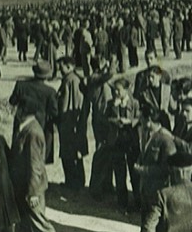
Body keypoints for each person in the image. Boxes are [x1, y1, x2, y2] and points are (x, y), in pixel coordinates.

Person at [10, 106, 56, 232]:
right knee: (25, 225)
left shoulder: (32, 132)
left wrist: (33, 193)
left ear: (22, 111)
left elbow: (34, 165)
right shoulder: (25, 128)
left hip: (31, 189)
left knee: (40, 225)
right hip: (23, 187)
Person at [9, 61, 59, 165]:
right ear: (47, 76)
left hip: (22, 121)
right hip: (41, 125)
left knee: (20, 150)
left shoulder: (21, 85)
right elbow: (54, 112)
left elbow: (12, 101)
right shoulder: (50, 91)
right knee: (37, 155)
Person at [134, 109, 175, 226]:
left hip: (158, 192)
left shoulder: (166, 139)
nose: (140, 120)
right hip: (146, 189)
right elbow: (144, 154)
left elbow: (166, 169)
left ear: (149, 120)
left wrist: (142, 170)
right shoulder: (146, 133)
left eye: (142, 118)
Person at [106, 78, 141, 213]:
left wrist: (129, 122)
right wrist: (115, 119)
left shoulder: (135, 103)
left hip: (132, 142)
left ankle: (138, 201)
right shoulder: (111, 103)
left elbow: (139, 119)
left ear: (126, 90)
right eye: (114, 89)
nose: (116, 92)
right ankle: (122, 203)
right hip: (117, 141)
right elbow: (106, 118)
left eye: (118, 90)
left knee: (135, 173)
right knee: (120, 173)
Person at [84, 56, 114, 197]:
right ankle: (96, 188)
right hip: (101, 121)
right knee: (102, 153)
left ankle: (106, 185)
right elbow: (110, 74)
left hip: (104, 119)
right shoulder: (95, 78)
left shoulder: (96, 79)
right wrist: (112, 62)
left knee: (107, 153)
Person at [55, 57, 88, 190]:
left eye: (61, 66)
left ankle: (76, 182)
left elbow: (74, 103)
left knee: (72, 153)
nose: (59, 69)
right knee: (68, 153)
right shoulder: (70, 79)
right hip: (67, 122)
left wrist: (72, 121)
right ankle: (71, 181)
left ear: (69, 67)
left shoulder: (72, 80)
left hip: (70, 123)